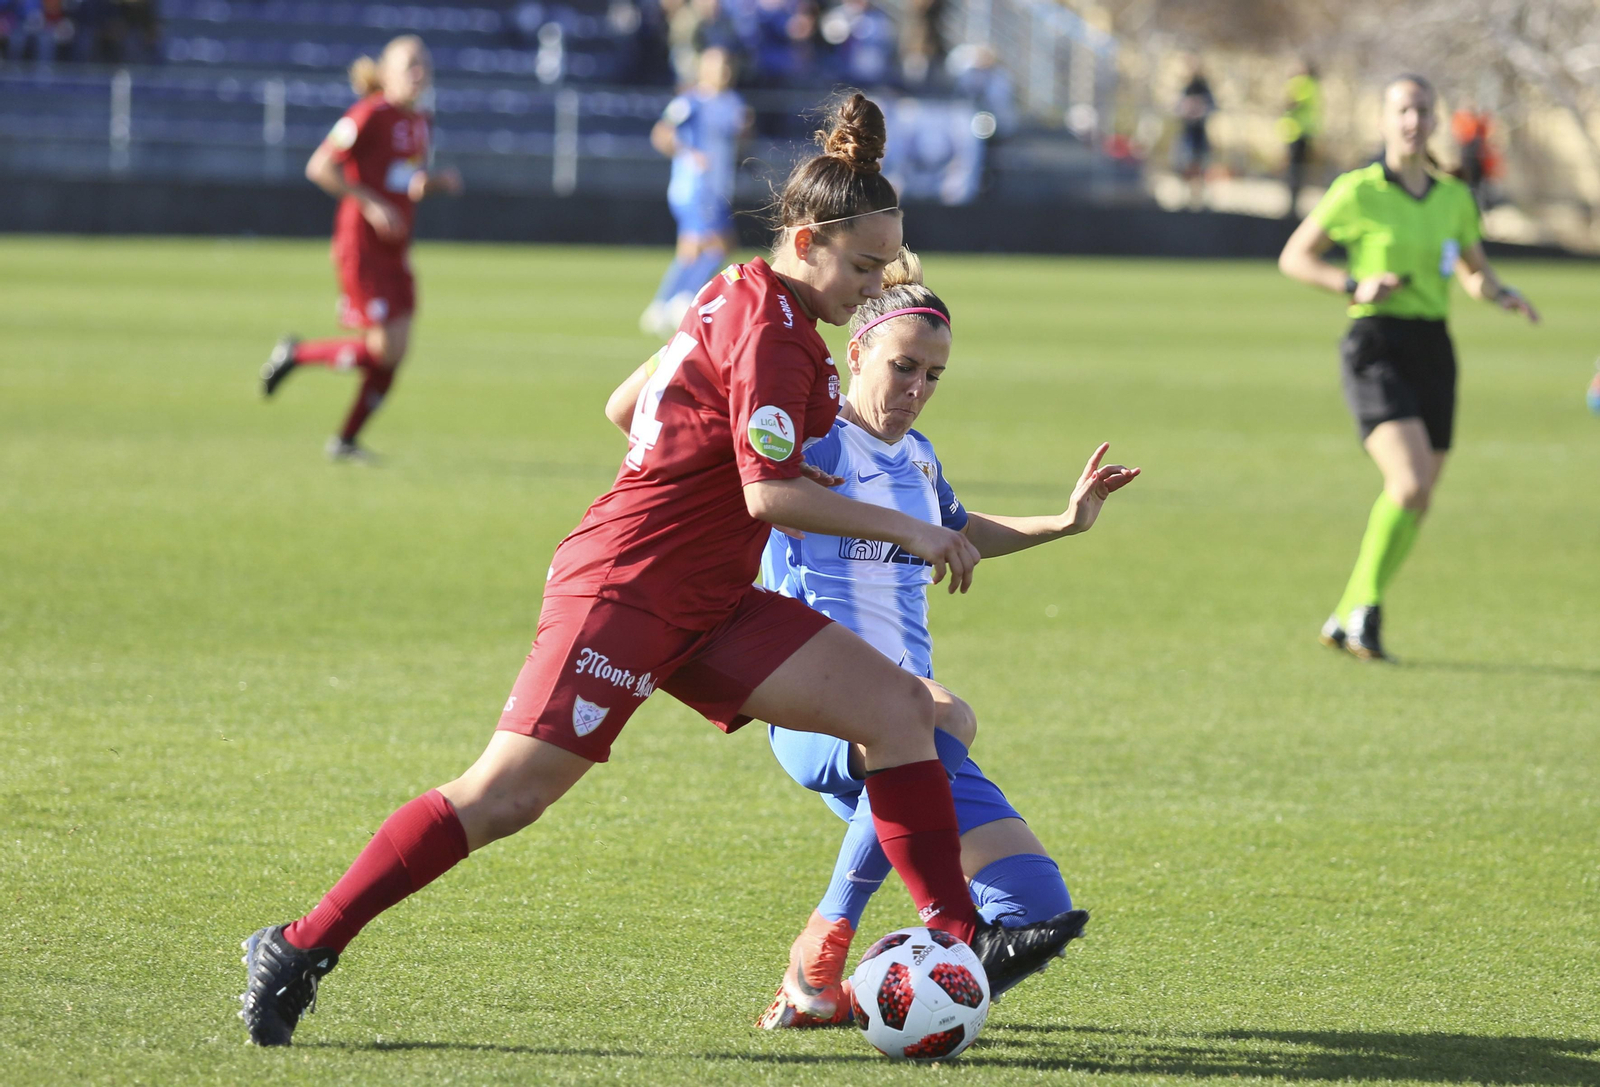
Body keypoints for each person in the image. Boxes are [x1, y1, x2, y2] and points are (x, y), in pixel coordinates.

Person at [238, 93, 1088, 1048]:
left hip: (713, 598)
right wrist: (918, 531)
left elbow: (622, 403)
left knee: (900, 711)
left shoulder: (735, 295)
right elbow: (768, 495)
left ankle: (956, 937)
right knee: (505, 795)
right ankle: (302, 943)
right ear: (805, 242)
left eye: (883, 269)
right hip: (627, 590)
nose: (869, 286)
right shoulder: (770, 329)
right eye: (859, 268)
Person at [744, 252, 1134, 1026]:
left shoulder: (920, 459)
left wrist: (1062, 522)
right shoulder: (817, 445)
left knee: (1032, 912)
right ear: (856, 354)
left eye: (934, 377)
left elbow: (959, 532)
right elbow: (759, 495)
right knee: (944, 713)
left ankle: (857, 1000)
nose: (917, 390)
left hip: (914, 725)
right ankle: (823, 937)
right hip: (816, 709)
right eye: (904, 367)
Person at [1278, 75, 1538, 662]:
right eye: (1402, 110)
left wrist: (1500, 294)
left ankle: (1347, 614)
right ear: (1384, 120)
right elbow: (1294, 257)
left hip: (1433, 348)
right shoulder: (1358, 190)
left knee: (1418, 497)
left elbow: (1474, 270)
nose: (1413, 120)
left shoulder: (1453, 195)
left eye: (1422, 109)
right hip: (1376, 344)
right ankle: (1365, 610)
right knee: (1410, 482)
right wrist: (1353, 282)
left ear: (1435, 119)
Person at [259, 36, 463, 462]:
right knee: (383, 349)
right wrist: (369, 203)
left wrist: (432, 183)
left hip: (396, 246)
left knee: (395, 351)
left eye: (424, 64)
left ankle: (345, 441)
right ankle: (297, 354)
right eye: (409, 65)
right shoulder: (369, 114)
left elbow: (403, 179)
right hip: (362, 246)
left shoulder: (421, 120)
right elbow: (319, 166)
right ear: (386, 73)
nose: (419, 72)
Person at [640, 46, 750, 338]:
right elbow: (661, 134)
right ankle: (681, 299)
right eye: (718, 66)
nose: (724, 72)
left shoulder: (733, 103)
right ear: (704, 69)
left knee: (693, 250)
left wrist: (744, 131)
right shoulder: (690, 101)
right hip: (694, 187)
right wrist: (690, 154)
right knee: (718, 245)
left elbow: (738, 141)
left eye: (728, 66)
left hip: (717, 188)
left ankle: (661, 305)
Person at [1279, 60, 1321, 219]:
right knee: (1297, 169)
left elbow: (1292, 103)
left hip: (1296, 132)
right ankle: (1293, 202)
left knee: (1294, 169)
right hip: (1303, 132)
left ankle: (1292, 205)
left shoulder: (1302, 83)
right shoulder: (1314, 85)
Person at [1174, 58, 1215, 209]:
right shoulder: (1186, 89)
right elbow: (1178, 108)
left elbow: (1211, 107)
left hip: (1199, 134)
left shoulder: (1204, 89)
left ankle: (1198, 198)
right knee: (1186, 165)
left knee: (1200, 165)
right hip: (1187, 134)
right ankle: (1185, 197)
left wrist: (1200, 109)